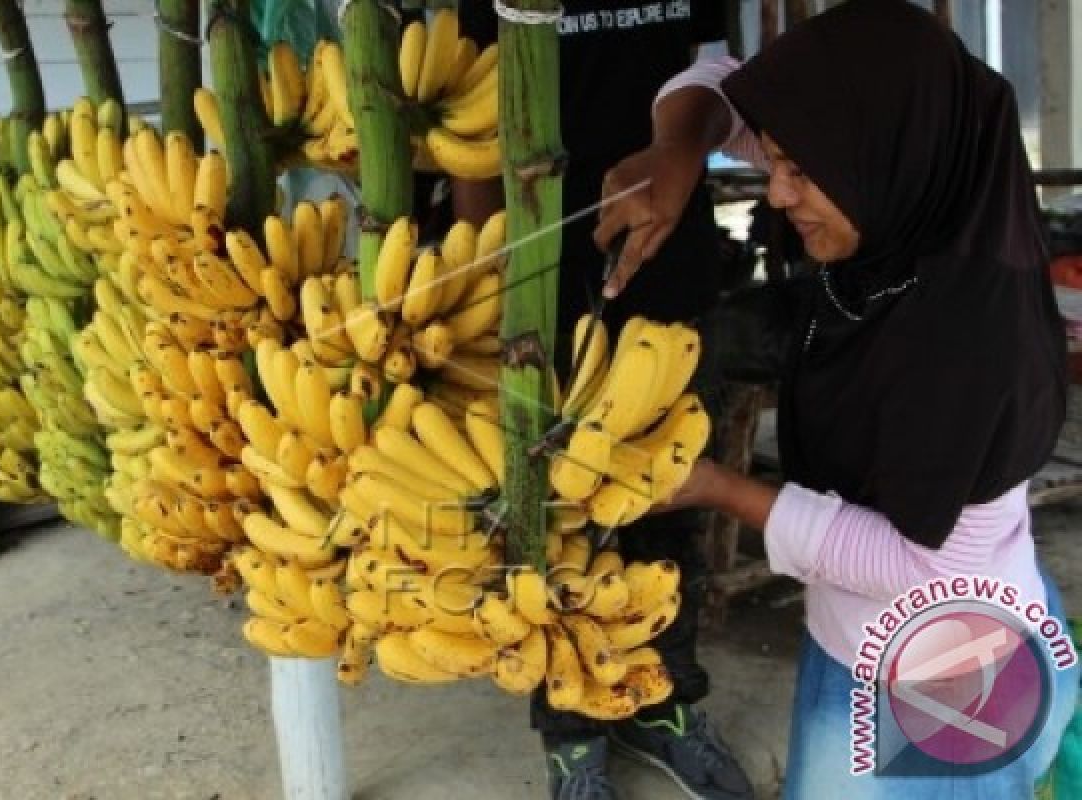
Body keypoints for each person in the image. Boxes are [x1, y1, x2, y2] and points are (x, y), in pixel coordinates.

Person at [596, 1, 1080, 797]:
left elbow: (914, 567)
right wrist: (677, 149)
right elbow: (720, 85)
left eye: (798, 172)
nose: (776, 194)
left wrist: (717, 488)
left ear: (881, 156)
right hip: (860, 631)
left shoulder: (963, 345)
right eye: (774, 160)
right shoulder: (915, 180)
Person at [451, 2, 755, 799]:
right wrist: (486, 282)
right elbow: (474, 130)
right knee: (551, 512)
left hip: (670, 254)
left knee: (669, 496)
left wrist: (675, 151)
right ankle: (571, 726)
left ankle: (662, 702)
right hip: (536, 266)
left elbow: (714, 75)